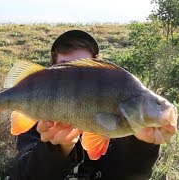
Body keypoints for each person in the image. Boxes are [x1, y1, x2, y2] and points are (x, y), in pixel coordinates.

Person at [10, 30, 164, 180]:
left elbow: (130, 174)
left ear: (98, 67)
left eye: (82, 68)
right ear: (52, 71)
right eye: (66, 66)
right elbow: (21, 174)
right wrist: (56, 150)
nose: (74, 74)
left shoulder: (117, 114)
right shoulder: (36, 117)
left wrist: (143, 144)